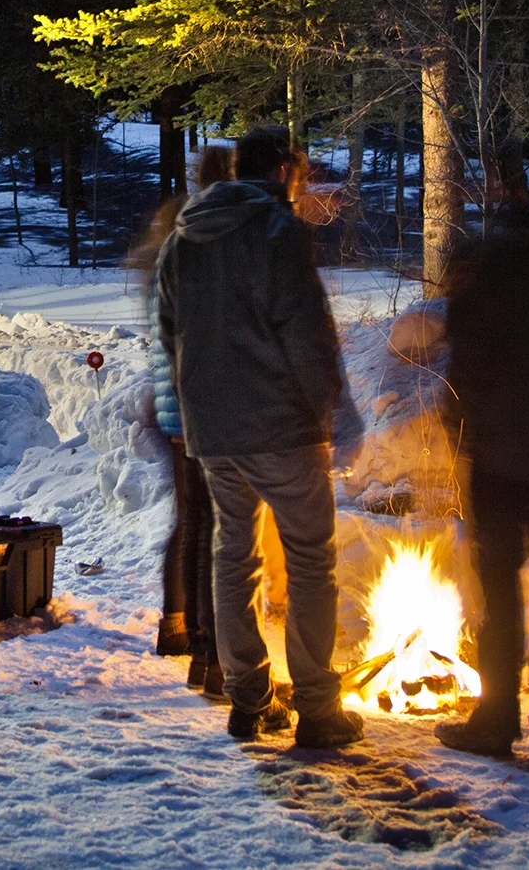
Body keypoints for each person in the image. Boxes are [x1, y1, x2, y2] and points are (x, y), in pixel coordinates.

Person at [156, 125, 364, 750]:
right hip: (282, 428)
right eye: (298, 176)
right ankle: (318, 710)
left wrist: (200, 406)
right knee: (309, 561)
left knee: (234, 556)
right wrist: (337, 413)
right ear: (282, 173)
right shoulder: (279, 233)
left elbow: (172, 337)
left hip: (214, 431)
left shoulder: (181, 241)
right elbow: (307, 335)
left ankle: (248, 702)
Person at [426, 197, 529, 759]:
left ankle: (497, 718)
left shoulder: (484, 264)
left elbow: (466, 350)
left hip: (499, 445)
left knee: (500, 584)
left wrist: (459, 420)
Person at [132, 143, 233, 697]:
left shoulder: (174, 243)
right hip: (194, 404)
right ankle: (199, 634)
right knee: (207, 521)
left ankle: (182, 625)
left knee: (192, 518)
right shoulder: (200, 245)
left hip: (174, 403)